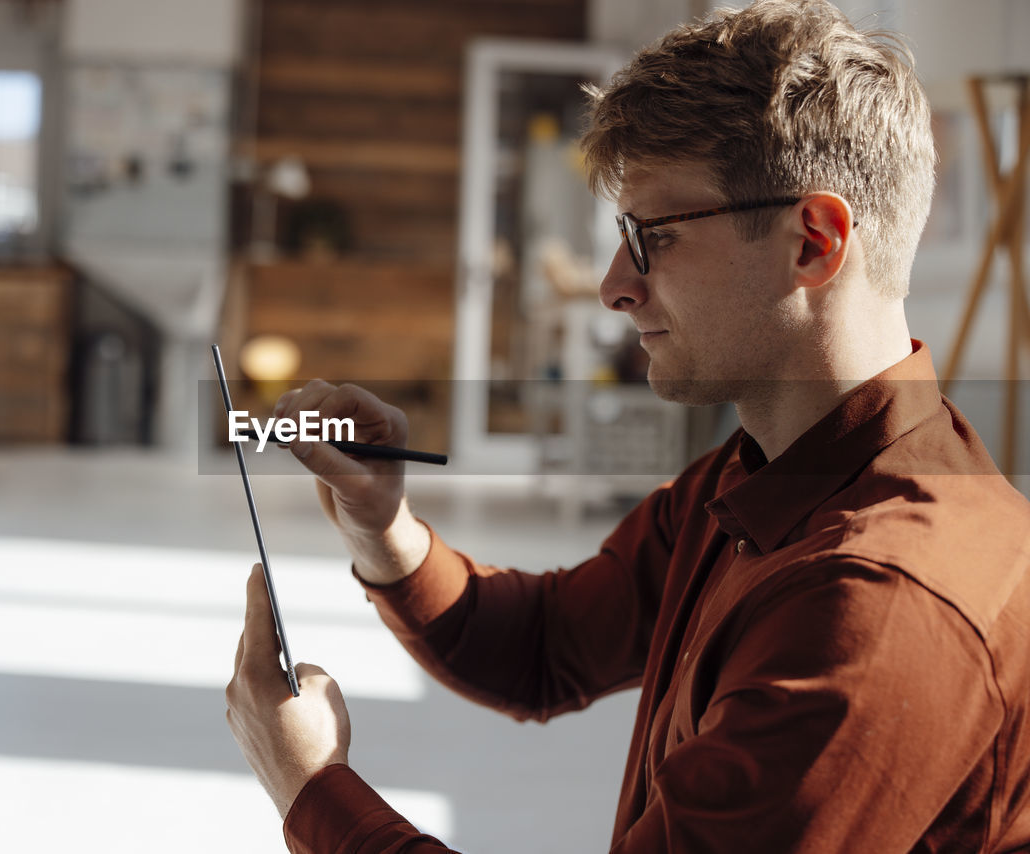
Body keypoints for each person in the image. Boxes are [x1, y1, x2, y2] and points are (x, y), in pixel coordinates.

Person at [225, 1, 1030, 850]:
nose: (614, 285)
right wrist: (381, 523)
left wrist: (311, 789)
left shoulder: (880, 610)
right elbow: (543, 644)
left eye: (655, 238)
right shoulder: (764, 476)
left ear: (813, 241)